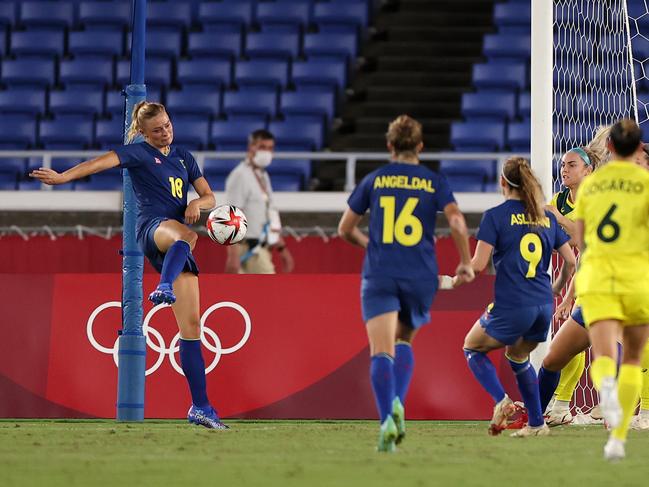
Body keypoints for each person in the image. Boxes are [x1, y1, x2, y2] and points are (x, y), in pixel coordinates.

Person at [29, 101, 228, 430]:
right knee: (187, 237)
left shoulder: (183, 157)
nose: (165, 131)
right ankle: (163, 286)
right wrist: (64, 176)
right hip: (153, 229)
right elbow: (101, 162)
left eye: (167, 124)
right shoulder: (138, 153)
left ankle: (201, 407)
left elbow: (210, 197)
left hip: (175, 240)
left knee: (191, 329)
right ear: (144, 134)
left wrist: (197, 202)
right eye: (157, 129)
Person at [338, 115, 474, 452]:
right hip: (420, 275)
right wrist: (466, 262)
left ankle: (388, 419)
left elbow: (344, 229)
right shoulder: (433, 181)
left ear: (389, 146)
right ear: (420, 146)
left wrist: (371, 244)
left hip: (381, 272)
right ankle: (398, 401)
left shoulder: (374, 180)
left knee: (380, 350)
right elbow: (456, 221)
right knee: (405, 342)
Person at [455, 156, 576, 437]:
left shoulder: (496, 216)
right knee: (518, 356)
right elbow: (571, 261)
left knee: (472, 348)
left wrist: (456, 275)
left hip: (513, 304)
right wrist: (557, 287)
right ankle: (537, 423)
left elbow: (477, 265)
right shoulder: (545, 216)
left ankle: (503, 402)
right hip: (543, 307)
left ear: (502, 183)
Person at [573, 119, 649, 461]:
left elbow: (581, 239)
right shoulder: (646, 184)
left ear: (611, 148)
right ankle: (617, 441)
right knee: (633, 359)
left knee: (604, 355)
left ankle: (605, 389)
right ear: (638, 148)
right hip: (636, 279)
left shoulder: (591, 186)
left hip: (599, 277)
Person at [536, 145, 602, 426]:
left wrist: (559, 220)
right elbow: (557, 240)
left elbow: (580, 238)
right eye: (563, 164)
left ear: (588, 170)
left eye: (572, 164)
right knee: (568, 343)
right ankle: (559, 405)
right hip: (580, 274)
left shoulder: (597, 198)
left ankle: (621, 407)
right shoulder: (559, 198)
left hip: (604, 276)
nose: (564, 169)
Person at [224, 129, 294, 274]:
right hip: (249, 249)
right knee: (269, 292)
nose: (267, 152)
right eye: (262, 147)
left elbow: (269, 213)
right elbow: (232, 217)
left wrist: (281, 248)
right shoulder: (240, 175)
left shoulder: (262, 176)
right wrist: (233, 256)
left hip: (263, 247)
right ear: (251, 147)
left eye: (270, 148)